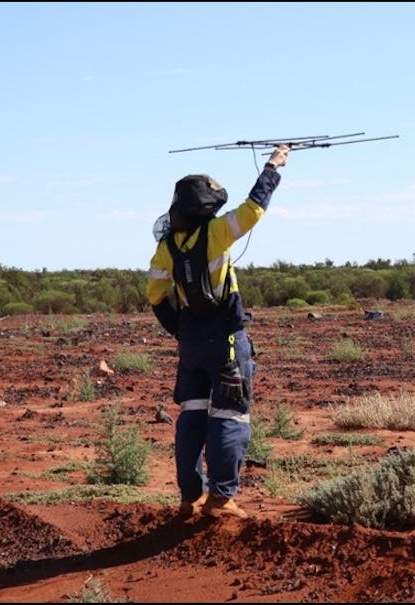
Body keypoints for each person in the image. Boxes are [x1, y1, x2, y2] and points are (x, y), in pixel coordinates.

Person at [146, 144, 290, 519]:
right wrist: (274, 166)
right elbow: (254, 208)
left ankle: (189, 498)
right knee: (230, 415)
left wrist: (180, 331)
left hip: (191, 343)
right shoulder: (216, 233)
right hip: (227, 339)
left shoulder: (167, 248)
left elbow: (155, 295)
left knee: (192, 416)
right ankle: (221, 499)